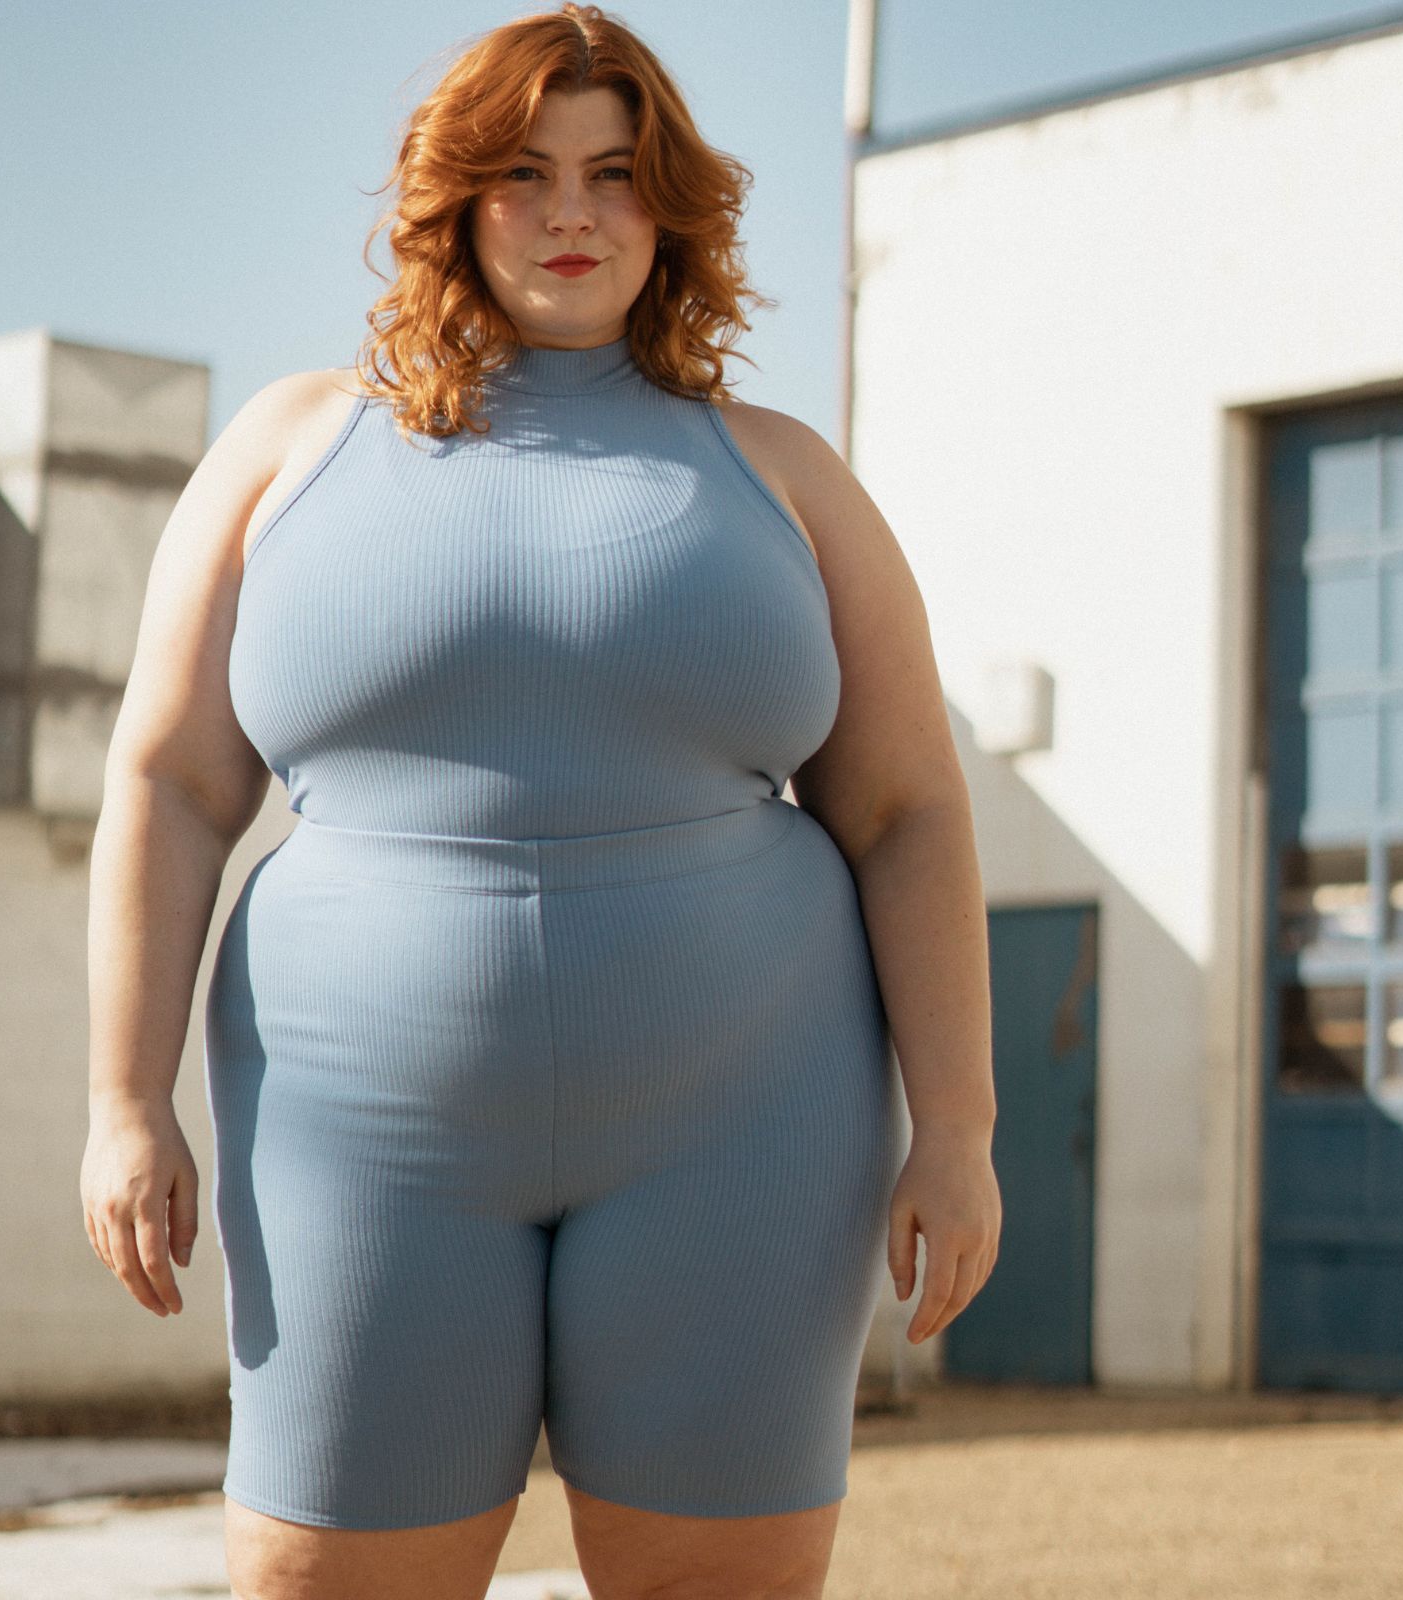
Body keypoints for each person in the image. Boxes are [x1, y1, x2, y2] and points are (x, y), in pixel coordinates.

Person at [80, 6, 1001, 1597]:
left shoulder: (784, 474)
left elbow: (911, 812)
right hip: (359, 1131)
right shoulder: (288, 451)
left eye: (615, 174)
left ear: (672, 208)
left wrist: (964, 1130)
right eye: (524, 173)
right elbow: (166, 785)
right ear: (453, 200)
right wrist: (122, 1101)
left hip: (746, 1132)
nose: (573, 213)